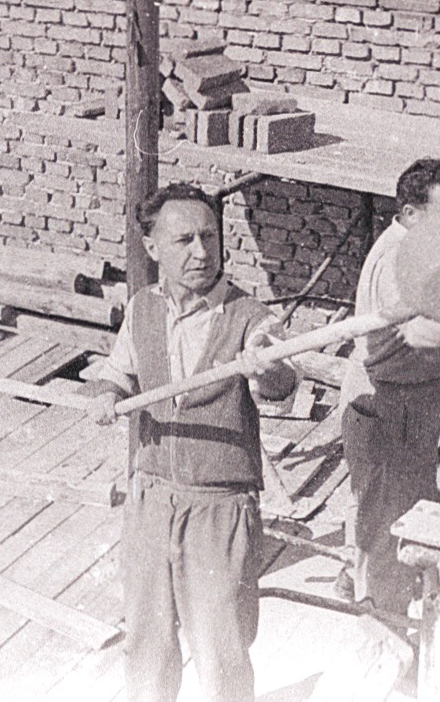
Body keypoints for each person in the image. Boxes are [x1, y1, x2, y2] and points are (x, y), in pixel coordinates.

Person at [87, 183, 294, 702]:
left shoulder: (251, 318)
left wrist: (267, 370)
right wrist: (106, 393)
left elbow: (281, 389)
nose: (202, 252)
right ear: (152, 247)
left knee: (221, 651)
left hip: (219, 509)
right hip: (151, 499)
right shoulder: (142, 309)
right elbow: (119, 372)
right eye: (184, 241)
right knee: (147, 645)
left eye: (210, 237)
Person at [340, 157, 440, 615]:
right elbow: (406, 333)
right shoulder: (398, 260)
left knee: (401, 501)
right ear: (412, 214)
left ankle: (363, 580)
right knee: (385, 520)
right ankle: (380, 624)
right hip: (388, 399)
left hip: (416, 395)